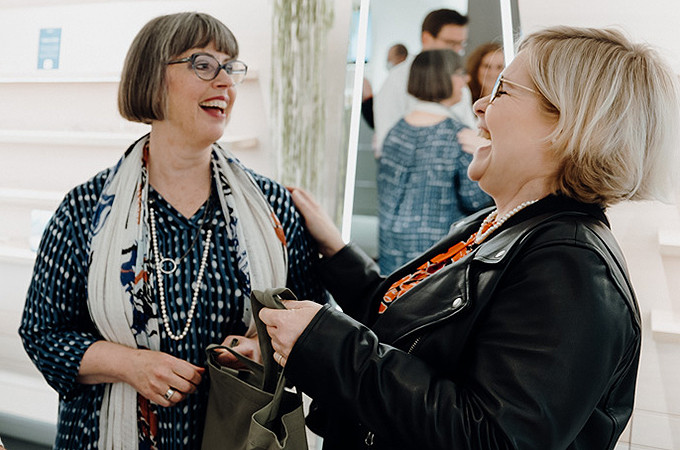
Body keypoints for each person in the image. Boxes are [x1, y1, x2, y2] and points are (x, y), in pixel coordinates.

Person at [258, 25, 680, 449]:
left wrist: (330, 346)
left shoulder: (570, 266)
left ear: (568, 123)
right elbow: (401, 325)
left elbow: (491, 438)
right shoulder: (492, 225)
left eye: (502, 91)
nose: (479, 105)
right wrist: (336, 251)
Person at [19, 12, 326, 449]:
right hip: (106, 434)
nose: (226, 81)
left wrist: (263, 350)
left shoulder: (272, 207)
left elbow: (310, 320)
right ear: (151, 77)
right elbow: (43, 333)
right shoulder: (86, 209)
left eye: (231, 66)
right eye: (203, 64)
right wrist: (130, 365)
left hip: (237, 434)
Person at [378, 49, 491, 274]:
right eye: (460, 73)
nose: (466, 79)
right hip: (436, 257)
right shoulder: (460, 137)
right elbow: (476, 201)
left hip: (392, 248)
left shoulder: (395, 131)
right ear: (443, 78)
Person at [373, 9, 475, 157]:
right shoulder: (397, 79)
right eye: (451, 43)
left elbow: (469, 132)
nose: (457, 51)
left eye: (461, 44)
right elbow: (387, 140)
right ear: (426, 38)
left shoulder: (460, 84)